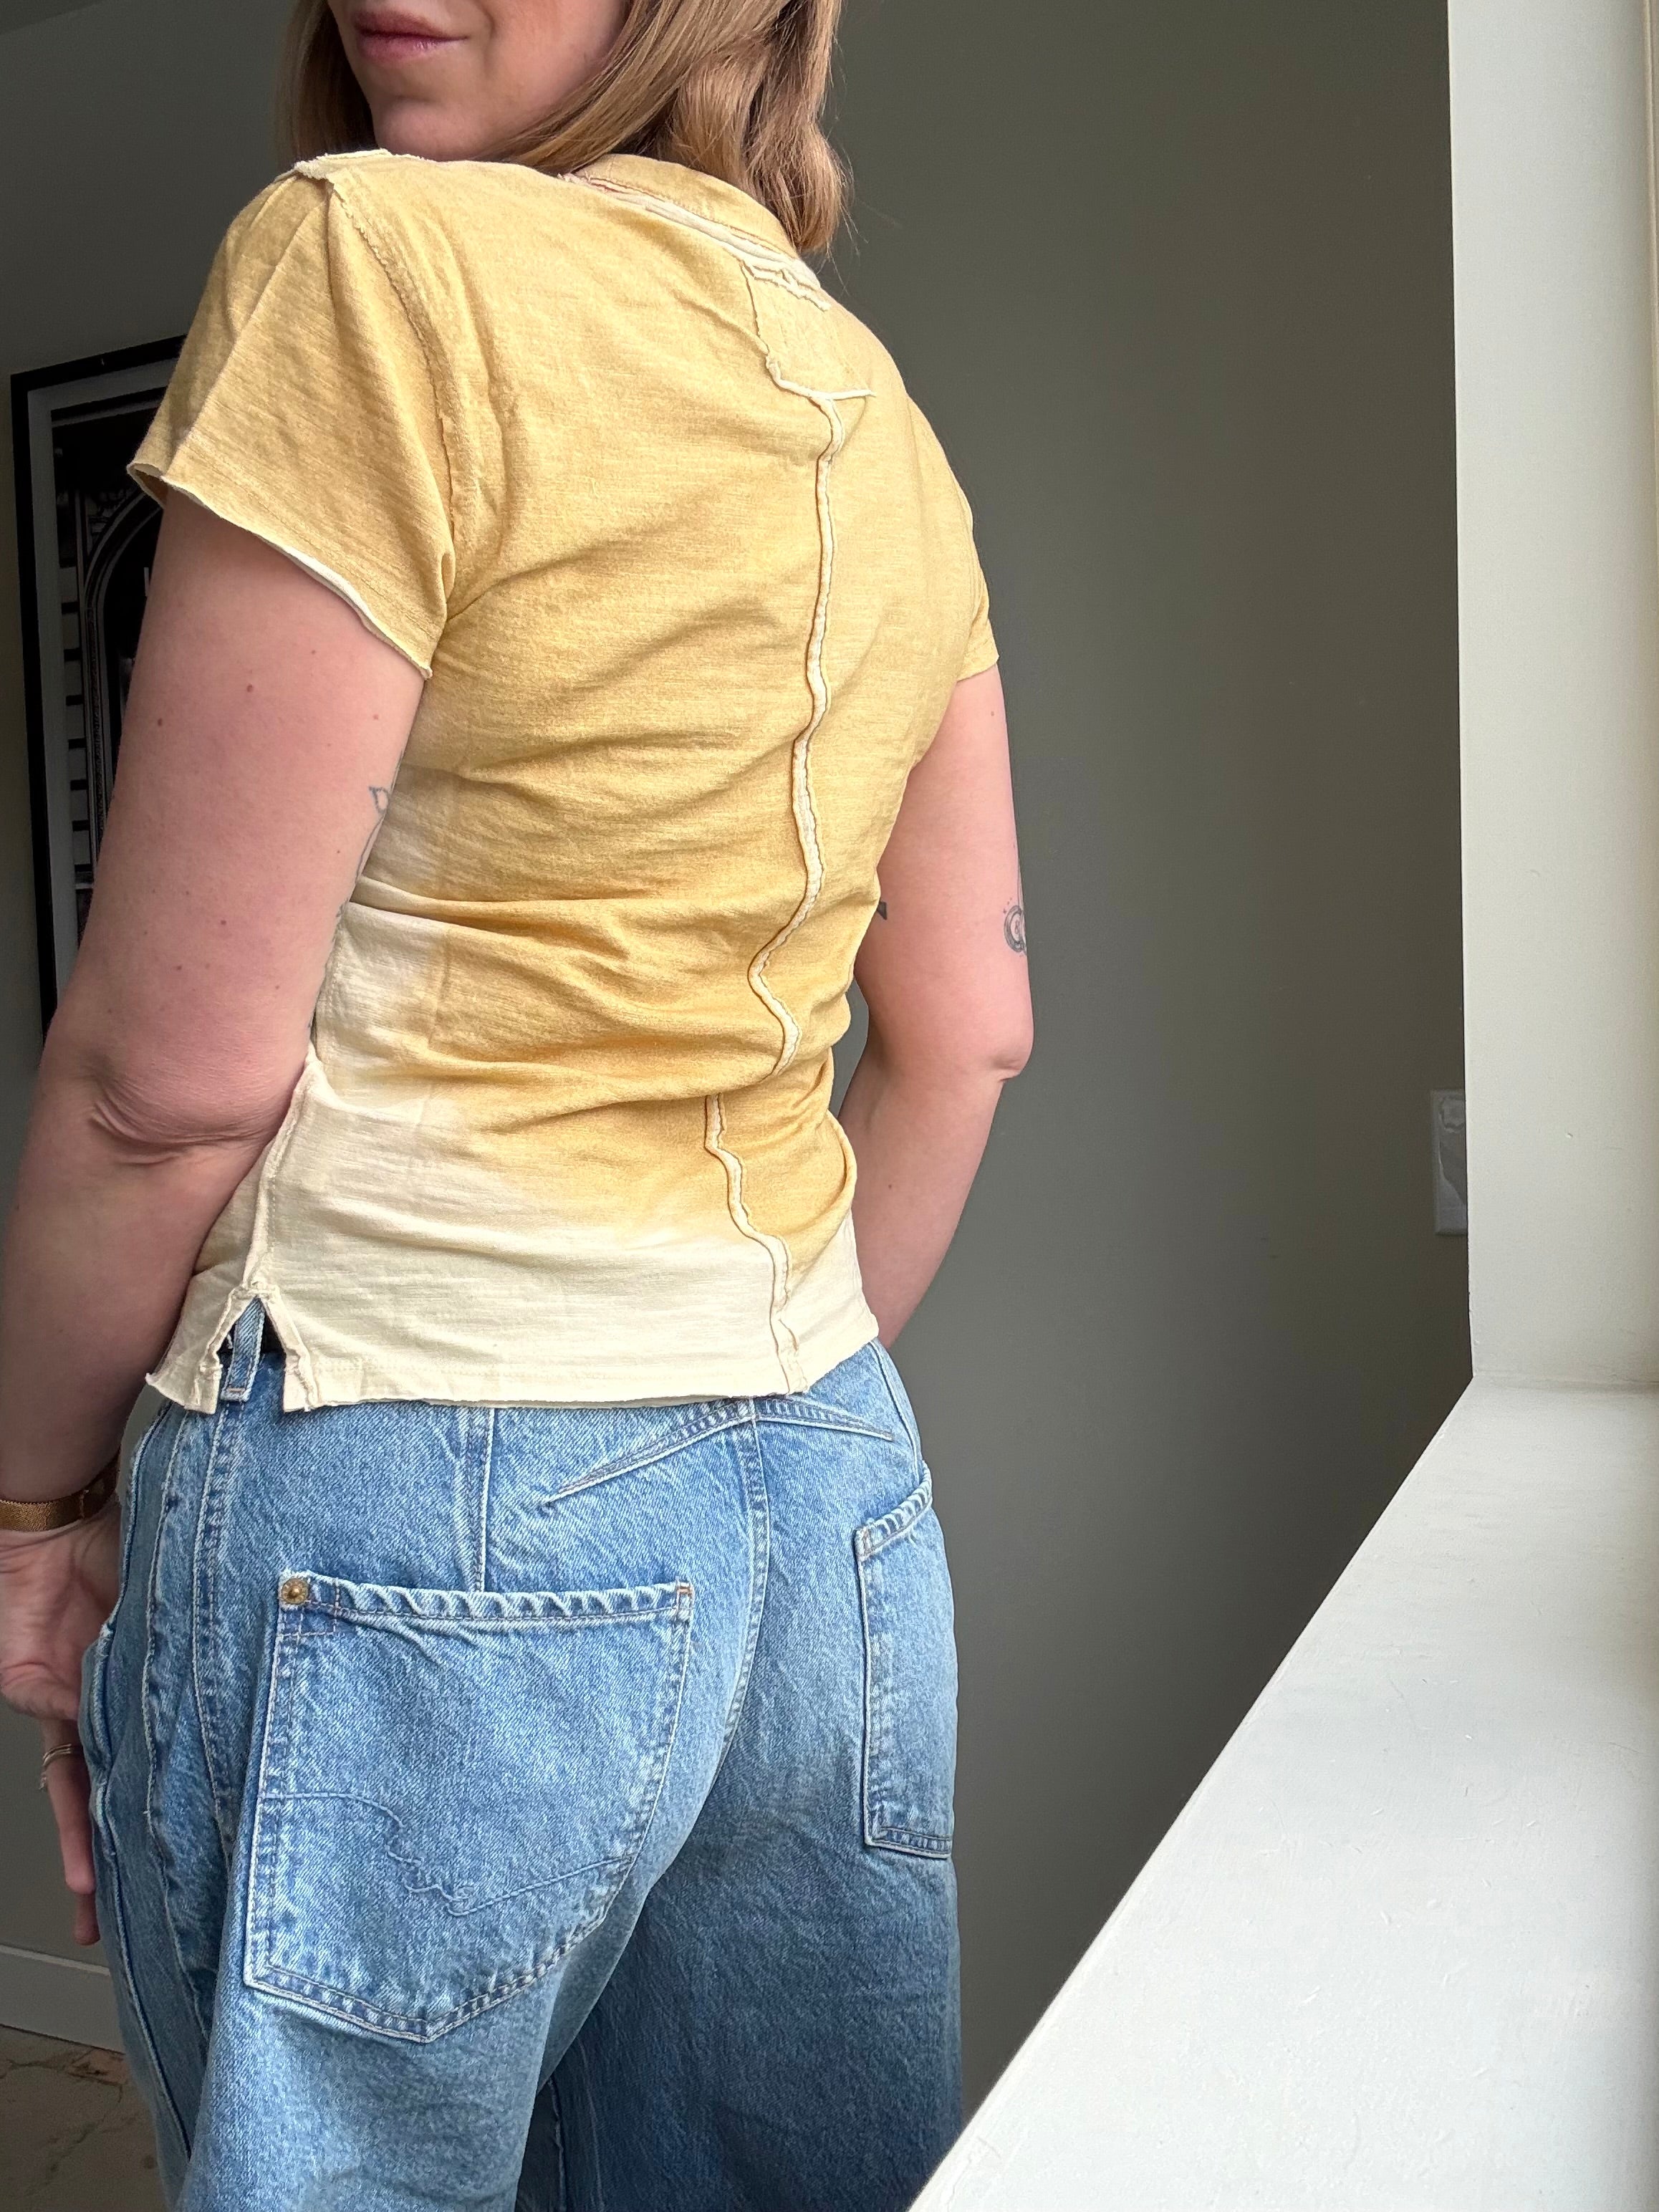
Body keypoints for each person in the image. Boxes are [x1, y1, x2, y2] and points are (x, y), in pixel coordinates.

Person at [0, 0, 1032, 2203]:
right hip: (823, 1500)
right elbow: (966, 1033)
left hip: (406, 1442)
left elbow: (166, 1086)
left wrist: (26, 1511)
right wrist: (708, 1432)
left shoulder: (375, 255)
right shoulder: (866, 400)